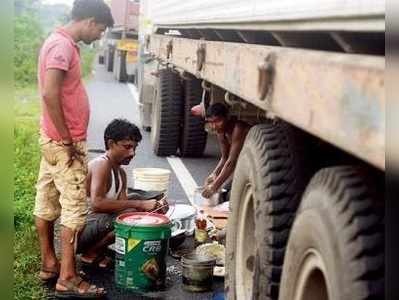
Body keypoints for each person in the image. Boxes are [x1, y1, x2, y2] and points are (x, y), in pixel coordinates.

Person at [33, 0, 113, 298]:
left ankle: (49, 264)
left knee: (47, 199)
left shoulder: (57, 42)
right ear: (90, 21)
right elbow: (49, 92)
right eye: (101, 30)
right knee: (74, 209)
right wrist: (68, 139)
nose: (99, 36)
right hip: (63, 143)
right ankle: (67, 275)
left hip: (52, 140)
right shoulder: (62, 47)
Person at [76, 119, 167, 267]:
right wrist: (141, 204)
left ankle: (97, 250)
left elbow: (122, 206)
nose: (132, 153)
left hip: (95, 226)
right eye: (127, 147)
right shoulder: (102, 164)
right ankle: (90, 252)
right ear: (111, 144)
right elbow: (97, 204)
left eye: (135, 148)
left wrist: (152, 207)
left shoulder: (121, 173)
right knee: (133, 213)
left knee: (136, 209)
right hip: (79, 233)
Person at [202, 103, 252, 199]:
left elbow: (231, 163)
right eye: (211, 122)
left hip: (252, 164)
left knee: (229, 195)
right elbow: (225, 157)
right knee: (223, 193)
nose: (214, 126)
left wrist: (213, 187)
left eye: (218, 121)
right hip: (243, 165)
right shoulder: (221, 132)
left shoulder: (239, 128)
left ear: (227, 117)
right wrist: (214, 174)